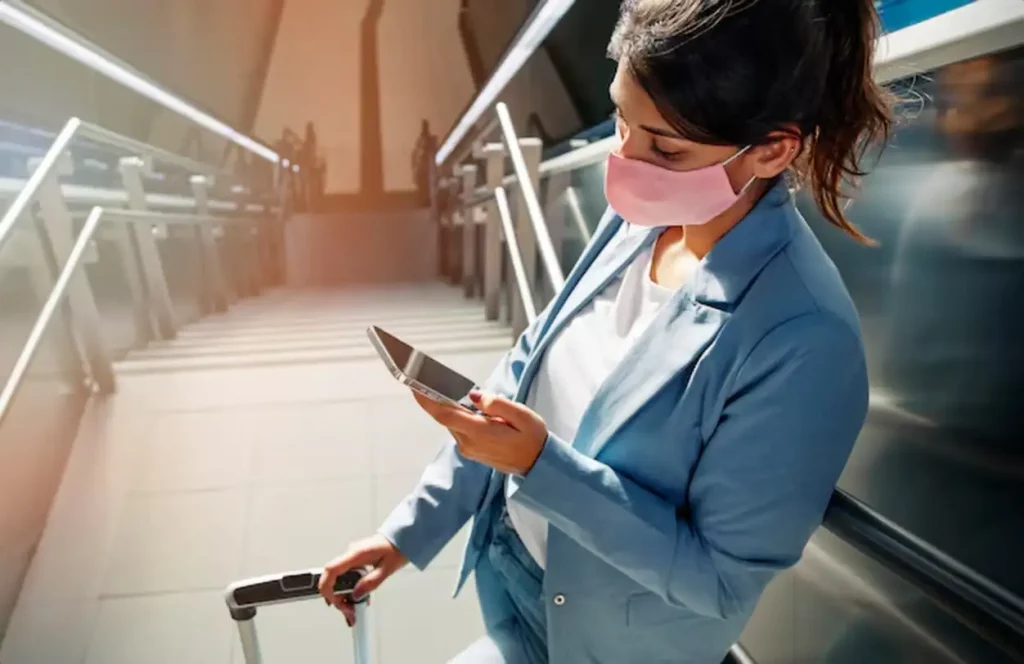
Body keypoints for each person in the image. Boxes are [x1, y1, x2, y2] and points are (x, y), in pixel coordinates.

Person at [320, 0, 891, 661]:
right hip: (513, 576)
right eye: (621, 119)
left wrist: (539, 465)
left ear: (772, 151)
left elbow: (718, 582)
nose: (624, 158)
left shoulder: (802, 338)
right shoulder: (640, 221)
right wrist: (408, 532)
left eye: (665, 147)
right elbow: (528, 368)